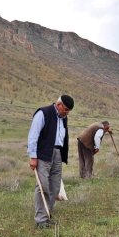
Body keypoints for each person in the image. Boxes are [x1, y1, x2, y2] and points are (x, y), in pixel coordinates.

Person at [27, 95, 74, 229]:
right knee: (43, 186)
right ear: (58, 104)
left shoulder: (64, 118)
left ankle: (47, 214)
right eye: (65, 109)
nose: (66, 112)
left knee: (55, 186)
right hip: (43, 154)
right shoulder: (43, 113)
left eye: (68, 111)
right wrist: (33, 156)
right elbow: (33, 135)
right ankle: (40, 220)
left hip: (57, 153)